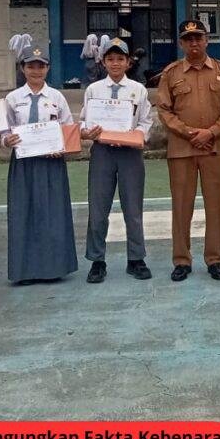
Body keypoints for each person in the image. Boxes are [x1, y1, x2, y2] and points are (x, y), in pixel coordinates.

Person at [155, 21, 220, 281]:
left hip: (215, 148)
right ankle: (182, 260)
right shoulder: (171, 73)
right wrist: (190, 133)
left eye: (198, 38)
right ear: (181, 43)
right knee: (181, 206)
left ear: (207, 40)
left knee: (215, 207)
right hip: (182, 149)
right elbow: (164, 110)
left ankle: (215, 259)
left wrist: (210, 132)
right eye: (188, 39)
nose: (193, 43)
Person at [0, 45, 78, 285]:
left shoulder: (56, 97)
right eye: (31, 65)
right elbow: (3, 129)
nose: (36, 70)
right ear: (22, 68)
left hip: (51, 164)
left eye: (41, 65)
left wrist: (61, 147)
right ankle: (24, 271)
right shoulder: (13, 98)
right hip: (23, 164)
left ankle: (54, 268)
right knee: (23, 213)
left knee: (53, 214)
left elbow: (68, 128)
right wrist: (6, 139)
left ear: (48, 68)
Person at [80, 37, 154, 283]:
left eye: (120, 59)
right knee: (98, 208)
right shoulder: (94, 90)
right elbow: (83, 120)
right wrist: (85, 132)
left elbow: (145, 120)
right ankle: (97, 261)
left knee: (132, 208)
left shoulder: (138, 89)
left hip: (130, 152)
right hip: (102, 152)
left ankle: (136, 259)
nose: (115, 63)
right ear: (103, 62)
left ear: (128, 62)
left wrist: (140, 135)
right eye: (110, 59)